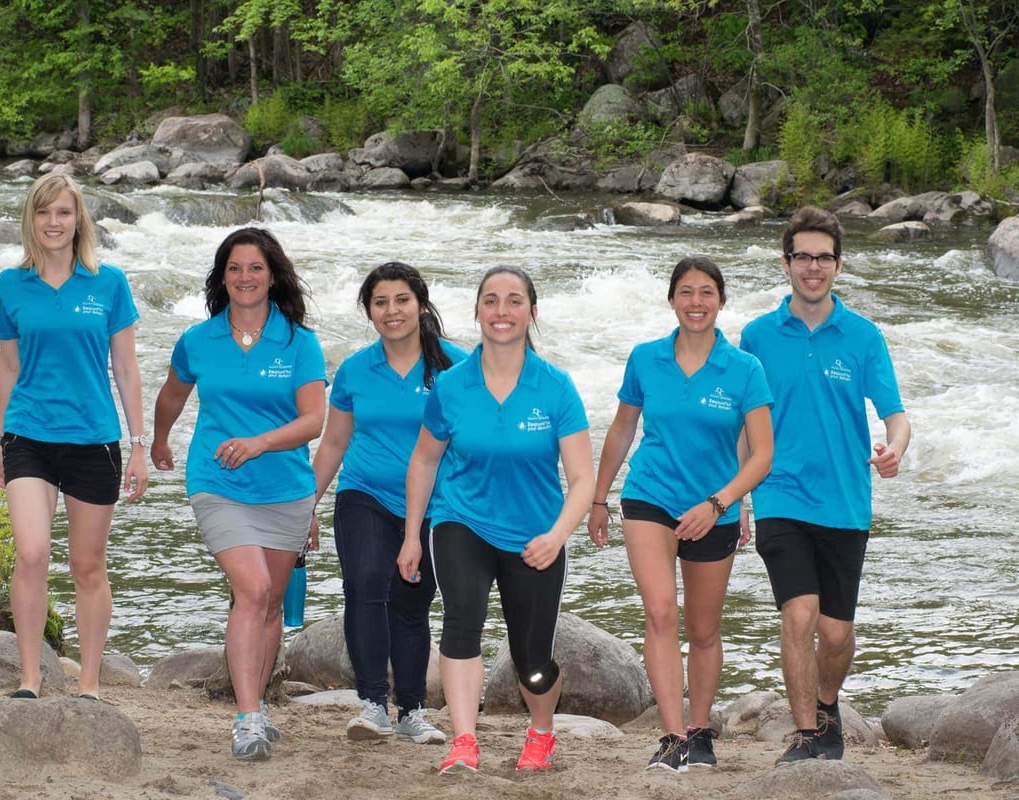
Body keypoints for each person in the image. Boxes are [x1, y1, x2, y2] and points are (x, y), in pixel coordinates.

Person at [398, 266, 594, 775]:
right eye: (490, 301)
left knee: (532, 662)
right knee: (462, 618)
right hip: (461, 520)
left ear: (531, 311)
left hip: (536, 534)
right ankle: (464, 742)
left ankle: (541, 733)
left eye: (513, 301)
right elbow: (423, 460)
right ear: (477, 311)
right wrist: (411, 535)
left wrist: (556, 536)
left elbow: (582, 480)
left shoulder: (556, 387)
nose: (501, 312)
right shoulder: (452, 385)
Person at [586, 257, 774, 772]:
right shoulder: (646, 359)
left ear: (721, 301)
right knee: (661, 612)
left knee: (704, 630)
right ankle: (671, 736)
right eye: (686, 292)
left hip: (716, 508)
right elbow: (622, 431)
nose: (696, 302)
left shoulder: (744, 369)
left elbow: (761, 453)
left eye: (707, 292)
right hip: (649, 498)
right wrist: (599, 498)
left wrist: (722, 505)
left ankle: (699, 728)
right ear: (671, 300)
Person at [739, 206, 911, 765]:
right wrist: (739, 497)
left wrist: (895, 450)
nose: (813, 267)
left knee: (836, 635)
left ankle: (828, 703)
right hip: (779, 493)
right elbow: (746, 421)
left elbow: (895, 415)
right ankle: (807, 733)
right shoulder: (758, 335)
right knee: (799, 613)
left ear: (838, 265)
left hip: (845, 500)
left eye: (824, 258)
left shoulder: (862, 336)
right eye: (803, 257)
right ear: (785, 263)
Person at [151, 227, 326, 762]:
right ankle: (247, 717)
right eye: (234, 268)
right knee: (251, 591)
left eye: (254, 268)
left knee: (271, 602)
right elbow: (172, 395)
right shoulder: (199, 340)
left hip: (287, 489)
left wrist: (261, 443)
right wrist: (156, 440)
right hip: (218, 482)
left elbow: (314, 420)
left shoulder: (299, 342)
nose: (244, 277)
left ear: (273, 276)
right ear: (221, 278)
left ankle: (260, 704)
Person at [0, 173, 148, 702]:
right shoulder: (11, 285)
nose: (53, 222)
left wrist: (140, 445)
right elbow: (8, 366)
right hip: (27, 433)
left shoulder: (109, 283)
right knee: (32, 553)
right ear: (30, 221)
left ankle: (89, 683)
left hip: (93, 438)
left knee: (87, 565)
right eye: (43, 213)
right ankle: (30, 678)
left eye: (63, 212)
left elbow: (126, 368)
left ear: (79, 219)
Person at [310, 262, 468, 745]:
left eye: (401, 300)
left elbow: (472, 441)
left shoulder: (456, 367)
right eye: (380, 302)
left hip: (435, 506)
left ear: (420, 304)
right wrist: (306, 507)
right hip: (365, 495)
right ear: (369, 311)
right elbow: (334, 443)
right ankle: (373, 702)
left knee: (411, 604)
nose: (392, 311)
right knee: (363, 585)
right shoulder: (356, 369)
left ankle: (412, 711)